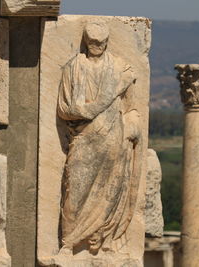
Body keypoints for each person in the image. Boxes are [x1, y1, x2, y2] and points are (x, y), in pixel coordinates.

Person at [57, 22, 142, 255]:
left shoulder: (120, 68)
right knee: (75, 191)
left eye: (101, 42)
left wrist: (131, 127)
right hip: (84, 138)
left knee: (110, 191)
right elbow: (65, 109)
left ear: (106, 42)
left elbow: (132, 109)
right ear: (85, 41)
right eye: (92, 42)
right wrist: (90, 109)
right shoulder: (73, 67)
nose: (97, 46)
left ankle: (101, 241)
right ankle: (69, 242)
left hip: (114, 138)